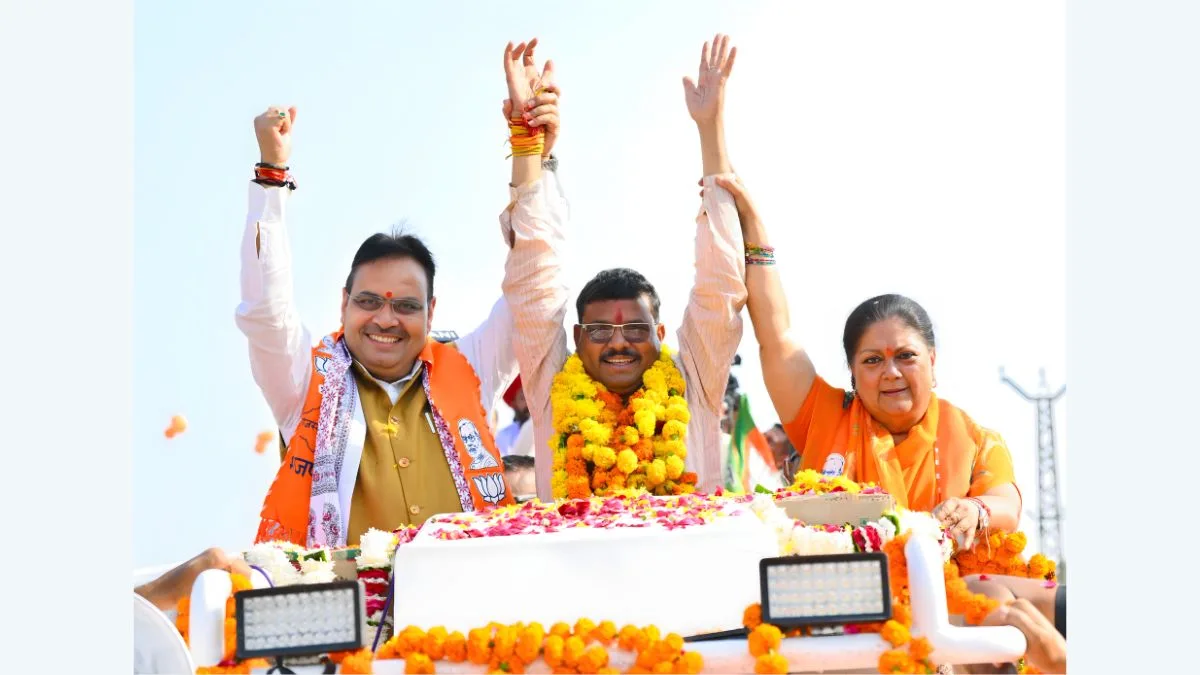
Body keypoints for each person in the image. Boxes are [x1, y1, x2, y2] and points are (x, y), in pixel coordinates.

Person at [236, 90, 559, 547]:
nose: (385, 319)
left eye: (405, 306)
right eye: (369, 302)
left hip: (474, 609)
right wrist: (271, 179)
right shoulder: (304, 382)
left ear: (430, 313)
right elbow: (266, 312)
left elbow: (532, 287)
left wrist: (531, 157)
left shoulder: (468, 367)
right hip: (348, 613)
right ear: (343, 303)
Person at [501, 35, 748, 500]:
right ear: (575, 339)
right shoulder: (553, 388)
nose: (618, 342)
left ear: (660, 335)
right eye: (599, 330)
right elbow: (533, 279)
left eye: (635, 329)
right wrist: (528, 147)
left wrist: (711, 131)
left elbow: (721, 285)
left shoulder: (695, 385)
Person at [715, 174, 1021, 545]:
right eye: (872, 361)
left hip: (947, 596)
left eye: (906, 356)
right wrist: (755, 230)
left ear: (933, 361)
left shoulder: (973, 438)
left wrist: (977, 510)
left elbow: (1007, 502)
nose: (891, 372)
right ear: (853, 373)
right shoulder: (822, 418)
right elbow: (775, 337)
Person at [496, 376, 533, 456]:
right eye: (523, 398)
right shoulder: (504, 436)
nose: (529, 402)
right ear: (514, 403)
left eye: (531, 394)